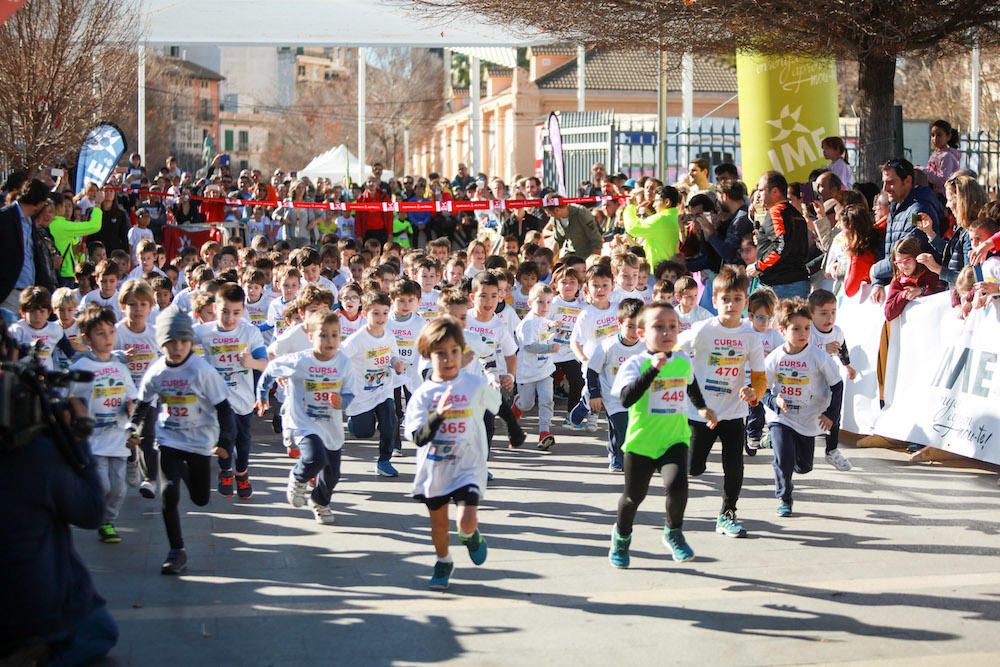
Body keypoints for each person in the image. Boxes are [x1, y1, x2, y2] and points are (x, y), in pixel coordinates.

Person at [0, 344, 118, 663]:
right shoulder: (35, 456)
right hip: (36, 612)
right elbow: (92, 511)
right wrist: (77, 440)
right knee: (100, 630)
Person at [607, 301, 717, 568]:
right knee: (633, 497)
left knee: (678, 486)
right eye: (659, 327)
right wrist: (652, 370)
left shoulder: (681, 359)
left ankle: (673, 532)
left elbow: (691, 384)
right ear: (642, 333)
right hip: (641, 443)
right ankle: (621, 537)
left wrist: (703, 408)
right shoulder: (635, 363)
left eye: (672, 327)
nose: (667, 332)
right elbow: (626, 399)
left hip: (675, 438)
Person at [129, 306, 235, 574]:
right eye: (171, 343)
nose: (177, 348)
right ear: (162, 343)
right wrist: (132, 428)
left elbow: (224, 408)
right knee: (168, 495)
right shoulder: (156, 372)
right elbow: (143, 404)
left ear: (191, 342)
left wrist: (225, 441)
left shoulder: (201, 371)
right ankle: (176, 550)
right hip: (169, 439)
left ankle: (186, 472)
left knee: (200, 499)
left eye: (184, 342)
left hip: (200, 442)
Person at [405, 317, 498, 590]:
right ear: (428, 355)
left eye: (454, 352)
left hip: (468, 464)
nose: (448, 359)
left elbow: (496, 406)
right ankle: (443, 560)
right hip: (435, 469)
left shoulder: (473, 385)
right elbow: (418, 437)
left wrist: (515, 431)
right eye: (441, 353)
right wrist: (437, 415)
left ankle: (470, 536)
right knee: (440, 528)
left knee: (466, 520)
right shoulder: (422, 395)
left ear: (463, 352)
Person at [678, 267, 766, 539]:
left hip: (733, 412)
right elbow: (669, 348)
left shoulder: (751, 336)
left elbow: (760, 377)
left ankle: (728, 513)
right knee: (693, 467)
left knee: (734, 464)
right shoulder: (702, 329)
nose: (731, 304)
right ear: (714, 301)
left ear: (745, 302)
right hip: (701, 411)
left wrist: (754, 393)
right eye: (725, 299)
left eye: (737, 298)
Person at [257, 311, 353, 524]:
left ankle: (320, 501)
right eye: (323, 335)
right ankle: (298, 478)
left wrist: (341, 402)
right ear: (311, 337)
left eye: (334, 335)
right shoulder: (299, 360)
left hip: (331, 424)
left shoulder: (344, 363)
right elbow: (271, 369)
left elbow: (349, 393)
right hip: (303, 422)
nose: (329, 341)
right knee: (315, 457)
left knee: (332, 475)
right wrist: (262, 394)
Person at [762, 298, 845, 517]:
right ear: (782, 330)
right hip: (781, 417)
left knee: (803, 466)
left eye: (807, 328)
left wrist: (831, 415)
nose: (803, 333)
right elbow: (760, 388)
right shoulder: (774, 358)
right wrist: (773, 401)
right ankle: (784, 498)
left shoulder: (818, 356)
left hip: (809, 418)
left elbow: (837, 385)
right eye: (796, 329)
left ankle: (789, 460)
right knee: (784, 459)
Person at [69, 305, 139, 544]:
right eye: (100, 333)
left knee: (119, 488)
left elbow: (132, 397)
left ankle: (108, 520)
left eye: (111, 332)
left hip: (118, 437)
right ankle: (97, 515)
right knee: (103, 485)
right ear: (87, 338)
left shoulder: (120, 366)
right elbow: (65, 395)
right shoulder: (81, 368)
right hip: (93, 440)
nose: (108, 338)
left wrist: (132, 412)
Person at [194, 283, 268, 499]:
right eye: (224, 311)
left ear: (243, 311)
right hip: (216, 398)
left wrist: (251, 362)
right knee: (226, 437)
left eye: (236, 312)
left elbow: (265, 363)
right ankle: (226, 470)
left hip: (243, 398)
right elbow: (177, 340)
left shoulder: (249, 331)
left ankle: (242, 473)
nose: (229, 318)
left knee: (243, 441)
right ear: (215, 308)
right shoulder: (204, 331)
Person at [342, 291, 406, 477]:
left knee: (390, 420)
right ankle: (355, 422)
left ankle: (384, 461)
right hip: (361, 394)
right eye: (376, 313)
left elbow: (393, 355)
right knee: (364, 432)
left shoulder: (389, 335)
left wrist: (396, 364)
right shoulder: (357, 340)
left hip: (383, 389)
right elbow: (340, 358)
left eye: (385, 313)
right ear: (365, 314)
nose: (381, 318)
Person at [870, 158, 944, 305]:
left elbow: (908, 253)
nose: (885, 188)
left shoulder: (918, 210)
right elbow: (888, 250)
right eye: (883, 182)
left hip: (920, 296)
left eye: (891, 182)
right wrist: (878, 281)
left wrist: (874, 270)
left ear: (908, 180)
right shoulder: (896, 207)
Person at [115, 280, 161, 497]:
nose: (138, 310)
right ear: (123, 306)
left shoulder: (154, 332)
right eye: (132, 305)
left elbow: (164, 360)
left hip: (147, 396)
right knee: (128, 435)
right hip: (122, 395)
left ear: (150, 306)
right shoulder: (116, 333)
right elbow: (105, 358)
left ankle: (150, 479)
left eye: (143, 304)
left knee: (148, 436)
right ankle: (131, 457)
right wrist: (120, 358)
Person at [586, 298, 644, 471]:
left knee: (622, 429)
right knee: (622, 426)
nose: (635, 332)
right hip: (613, 397)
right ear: (619, 323)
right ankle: (627, 459)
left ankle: (616, 455)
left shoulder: (647, 346)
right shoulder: (607, 346)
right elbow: (592, 371)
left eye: (639, 327)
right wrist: (594, 394)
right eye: (630, 326)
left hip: (638, 398)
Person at [807, 290, 857, 471]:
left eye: (833, 312)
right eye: (823, 313)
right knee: (805, 415)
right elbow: (802, 348)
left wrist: (848, 365)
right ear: (811, 314)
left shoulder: (837, 331)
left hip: (829, 379)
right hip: (808, 381)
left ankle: (832, 450)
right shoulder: (808, 330)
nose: (830, 317)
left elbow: (842, 348)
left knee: (834, 414)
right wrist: (823, 347)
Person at [746, 171, 811, 299]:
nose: (757, 195)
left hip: (780, 287)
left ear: (775, 191)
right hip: (796, 283)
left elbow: (780, 246)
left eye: (761, 190)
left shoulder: (776, 212)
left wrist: (759, 266)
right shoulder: (796, 214)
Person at [515, 283, 560, 450]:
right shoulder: (528, 323)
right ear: (529, 303)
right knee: (527, 405)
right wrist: (549, 348)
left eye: (548, 302)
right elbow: (529, 346)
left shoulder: (542, 319)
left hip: (545, 370)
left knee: (547, 400)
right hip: (527, 372)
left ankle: (544, 433)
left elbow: (542, 325)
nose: (545, 306)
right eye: (540, 302)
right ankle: (517, 403)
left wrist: (550, 325)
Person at [918, 175, 985, 286]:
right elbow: (953, 253)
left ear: (962, 202)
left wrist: (938, 269)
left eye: (949, 200)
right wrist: (930, 232)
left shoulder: (973, 233)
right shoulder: (965, 228)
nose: (947, 205)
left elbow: (970, 280)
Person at [0, 178, 55, 312]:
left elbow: (34, 257)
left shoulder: (31, 222)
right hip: (9, 293)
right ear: (39, 203)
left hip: (30, 294)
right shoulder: (4, 218)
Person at [389, 279, 427, 455]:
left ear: (417, 302)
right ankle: (394, 443)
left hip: (413, 371)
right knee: (394, 408)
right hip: (391, 372)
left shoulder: (420, 323)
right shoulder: (386, 321)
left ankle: (417, 434)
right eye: (401, 300)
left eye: (410, 301)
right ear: (392, 300)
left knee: (414, 403)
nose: (406, 305)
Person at [744, 288, 782, 455]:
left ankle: (754, 435)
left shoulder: (773, 335)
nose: (765, 322)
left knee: (758, 406)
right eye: (760, 317)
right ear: (750, 316)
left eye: (769, 318)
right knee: (751, 410)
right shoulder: (744, 331)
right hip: (743, 378)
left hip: (763, 381)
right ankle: (751, 433)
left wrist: (771, 355)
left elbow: (783, 352)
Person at [10, 286, 74, 371]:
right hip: (23, 379)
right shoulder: (17, 330)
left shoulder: (56, 330)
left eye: (42, 311)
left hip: (46, 378)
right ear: (22, 313)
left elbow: (70, 352)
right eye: (32, 311)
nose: (37, 316)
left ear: (49, 313)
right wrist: (29, 348)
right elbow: (9, 357)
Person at [884, 236, 948, 321]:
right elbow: (888, 313)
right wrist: (903, 295)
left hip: (935, 321)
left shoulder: (929, 272)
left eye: (907, 260)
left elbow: (943, 291)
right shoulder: (898, 281)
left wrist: (922, 290)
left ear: (916, 257)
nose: (903, 265)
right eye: (899, 262)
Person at [623, 185, 682, 270]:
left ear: (667, 202)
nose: (653, 205)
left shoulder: (660, 219)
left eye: (656, 201)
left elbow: (632, 228)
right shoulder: (677, 218)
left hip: (659, 271)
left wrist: (630, 206)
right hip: (674, 271)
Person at [925, 119, 962, 195]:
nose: (935, 138)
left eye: (939, 135)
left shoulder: (947, 156)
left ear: (948, 136)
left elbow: (943, 180)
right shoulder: (935, 154)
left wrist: (924, 172)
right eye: (933, 135)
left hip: (944, 196)